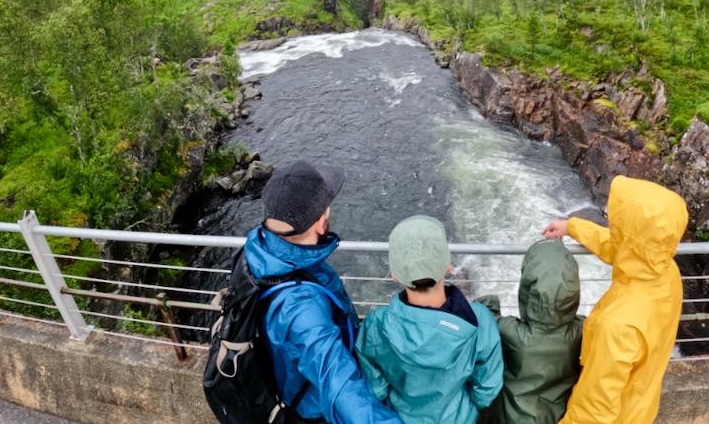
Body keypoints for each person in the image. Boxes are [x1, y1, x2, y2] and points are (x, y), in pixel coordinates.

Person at [242, 160, 401, 423]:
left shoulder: (260, 251)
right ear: (320, 223)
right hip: (312, 408)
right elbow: (341, 388)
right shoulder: (301, 308)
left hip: (287, 376)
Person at [543, 176, 688, 424]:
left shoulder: (616, 326)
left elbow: (592, 414)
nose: (610, 220)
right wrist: (573, 227)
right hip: (640, 410)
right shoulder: (666, 273)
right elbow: (622, 248)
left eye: (615, 221)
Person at [356, 215, 504, 424]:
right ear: (449, 267)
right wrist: (466, 412)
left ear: (394, 275)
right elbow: (487, 388)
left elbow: (376, 388)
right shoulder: (479, 319)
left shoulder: (375, 325)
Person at [476, 239, 585, 424]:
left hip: (510, 417)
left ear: (527, 291)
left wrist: (491, 301)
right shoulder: (583, 330)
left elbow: (482, 314)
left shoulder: (511, 332)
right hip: (556, 416)